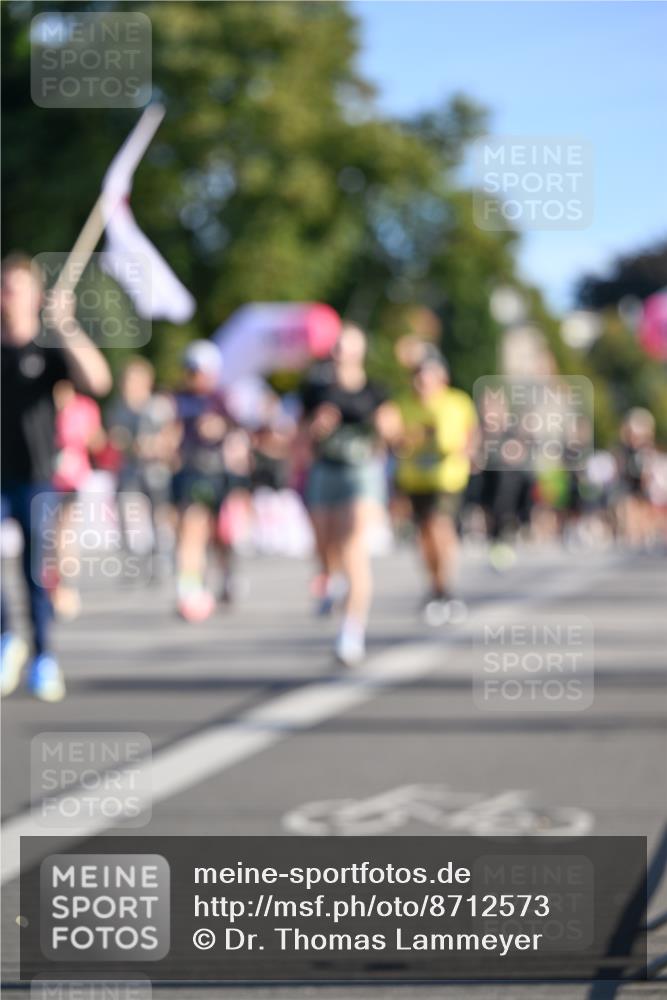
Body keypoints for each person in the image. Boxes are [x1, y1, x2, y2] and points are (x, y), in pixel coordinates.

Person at [1, 253, 111, 701]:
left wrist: (66, 326)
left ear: (36, 296)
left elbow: (98, 381)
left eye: (15, 288)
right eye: (3, 288)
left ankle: (44, 655)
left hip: (36, 476)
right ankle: (7, 636)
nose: (7, 297)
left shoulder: (47, 350)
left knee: (34, 571)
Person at [301, 323, 400, 665]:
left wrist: (385, 426)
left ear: (360, 352)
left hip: (361, 472)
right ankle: (332, 581)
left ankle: (351, 632)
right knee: (325, 546)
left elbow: (394, 431)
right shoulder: (316, 389)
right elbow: (299, 434)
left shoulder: (374, 390)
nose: (341, 352)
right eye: (337, 346)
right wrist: (316, 426)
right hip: (325, 470)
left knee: (352, 545)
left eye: (347, 346)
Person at [170, 340, 251, 622]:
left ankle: (226, 576)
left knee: (221, 535)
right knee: (191, 529)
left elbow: (239, 435)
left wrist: (223, 431)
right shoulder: (178, 399)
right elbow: (170, 433)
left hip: (220, 474)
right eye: (190, 371)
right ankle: (189, 589)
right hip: (193, 473)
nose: (194, 377)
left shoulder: (221, 399)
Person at [396, 350, 478, 624]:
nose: (421, 381)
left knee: (439, 526)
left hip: (447, 478)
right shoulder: (404, 404)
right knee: (425, 536)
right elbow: (396, 437)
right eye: (417, 376)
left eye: (426, 375)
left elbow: (471, 432)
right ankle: (436, 587)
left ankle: (446, 587)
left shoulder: (457, 402)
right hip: (415, 479)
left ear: (441, 377)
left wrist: (469, 450)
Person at [105, 357, 176, 580]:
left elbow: (172, 435)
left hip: (155, 468)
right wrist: (130, 444)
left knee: (159, 512)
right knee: (126, 511)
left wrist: (157, 445)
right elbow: (115, 437)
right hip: (129, 468)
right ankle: (132, 559)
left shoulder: (158, 406)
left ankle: (160, 556)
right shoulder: (117, 408)